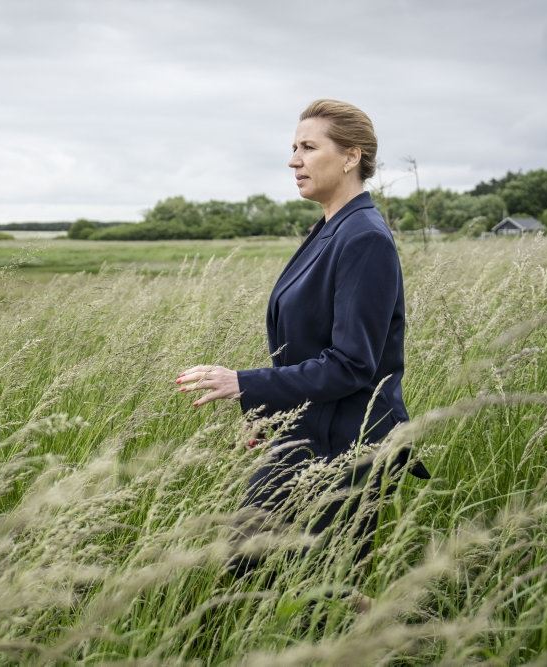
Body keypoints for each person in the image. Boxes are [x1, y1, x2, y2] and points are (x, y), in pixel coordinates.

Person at [175, 99, 431, 598]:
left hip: (346, 449)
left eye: (309, 148)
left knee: (313, 593)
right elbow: (308, 347)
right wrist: (270, 416)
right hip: (306, 437)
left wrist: (243, 384)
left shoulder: (364, 238)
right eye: (293, 148)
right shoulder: (330, 226)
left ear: (352, 156)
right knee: (270, 577)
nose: (294, 160)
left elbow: (353, 364)